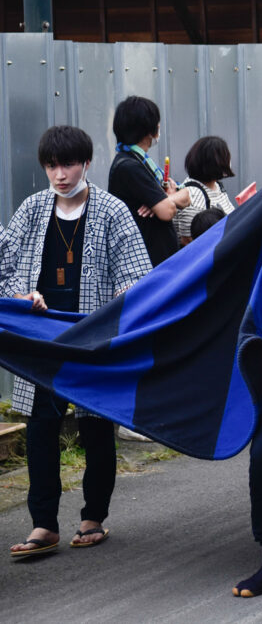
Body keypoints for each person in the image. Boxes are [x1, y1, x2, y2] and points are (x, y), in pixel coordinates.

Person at [2, 126, 152, 559]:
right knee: (40, 429)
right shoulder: (33, 209)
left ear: (86, 163)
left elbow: (135, 276)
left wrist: (111, 321)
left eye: (68, 164)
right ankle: (43, 524)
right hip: (42, 334)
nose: (60, 174)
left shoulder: (111, 210)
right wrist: (21, 295)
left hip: (93, 336)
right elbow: (6, 265)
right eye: (51, 165)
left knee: (96, 427)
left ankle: (93, 518)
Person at [108, 96, 189, 266]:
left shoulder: (142, 162)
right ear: (148, 130)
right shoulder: (129, 167)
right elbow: (167, 212)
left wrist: (166, 200)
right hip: (146, 262)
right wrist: (165, 202)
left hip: (157, 258)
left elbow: (186, 196)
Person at [173, 136, 236, 244]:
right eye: (225, 157)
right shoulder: (193, 193)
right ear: (214, 162)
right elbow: (188, 240)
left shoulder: (217, 187)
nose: (228, 162)